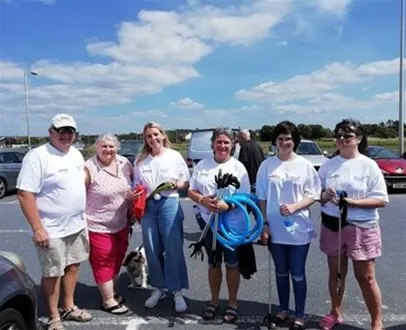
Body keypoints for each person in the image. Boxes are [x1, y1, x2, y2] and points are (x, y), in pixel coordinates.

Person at [16, 114, 92, 330]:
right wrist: (38, 228)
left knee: (73, 266)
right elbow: (24, 194)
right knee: (52, 273)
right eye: (62, 131)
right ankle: (53, 316)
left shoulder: (76, 154)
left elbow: (81, 180)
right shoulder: (38, 156)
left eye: (70, 131)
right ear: (51, 132)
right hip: (51, 229)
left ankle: (68, 306)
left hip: (77, 225)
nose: (66, 135)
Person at [318, 119, 388, 330]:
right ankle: (335, 313)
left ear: (358, 139)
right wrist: (325, 195)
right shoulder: (328, 165)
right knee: (336, 273)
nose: (342, 139)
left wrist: (353, 202)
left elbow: (381, 199)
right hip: (333, 224)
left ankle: (377, 321)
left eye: (347, 136)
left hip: (362, 226)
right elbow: (318, 197)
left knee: (365, 277)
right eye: (338, 135)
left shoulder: (369, 165)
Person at [257, 121, 321, 330]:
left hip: (298, 228)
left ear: (295, 141)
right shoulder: (267, 166)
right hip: (275, 228)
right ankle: (283, 309)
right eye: (280, 139)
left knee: (298, 273)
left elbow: (313, 194)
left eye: (288, 139)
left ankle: (300, 314)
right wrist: (265, 225)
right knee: (280, 272)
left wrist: (295, 206)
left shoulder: (305, 165)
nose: (284, 143)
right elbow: (263, 197)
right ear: (275, 141)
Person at [188, 127, 250, 324]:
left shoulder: (238, 167)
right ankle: (214, 301)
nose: (222, 146)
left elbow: (246, 196)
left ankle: (233, 302)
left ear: (232, 145)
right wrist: (203, 200)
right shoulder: (202, 166)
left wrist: (228, 205)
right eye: (219, 142)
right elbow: (191, 190)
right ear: (213, 144)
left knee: (232, 264)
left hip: (232, 226)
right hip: (209, 224)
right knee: (213, 263)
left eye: (226, 142)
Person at [133, 122, 190, 312]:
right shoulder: (141, 160)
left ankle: (177, 290)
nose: (153, 139)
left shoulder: (174, 156)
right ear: (145, 139)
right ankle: (158, 287)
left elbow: (185, 181)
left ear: (163, 135)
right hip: (149, 206)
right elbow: (136, 185)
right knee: (151, 247)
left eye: (156, 134)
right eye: (149, 136)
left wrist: (176, 183)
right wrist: (137, 192)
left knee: (172, 247)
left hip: (169, 203)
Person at [84, 133, 136, 315]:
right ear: (96, 148)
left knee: (117, 257)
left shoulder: (124, 163)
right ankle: (108, 301)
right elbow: (78, 194)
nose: (108, 150)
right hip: (98, 224)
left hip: (122, 222)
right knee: (103, 260)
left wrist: (132, 198)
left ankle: (111, 292)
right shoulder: (89, 167)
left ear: (117, 148)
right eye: (104, 146)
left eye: (111, 146)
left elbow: (133, 184)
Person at [237, 129, 265, 193]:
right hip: (260, 181)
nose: (238, 142)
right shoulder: (257, 145)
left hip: (251, 182)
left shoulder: (244, 147)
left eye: (238, 138)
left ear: (242, 137)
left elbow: (241, 165)